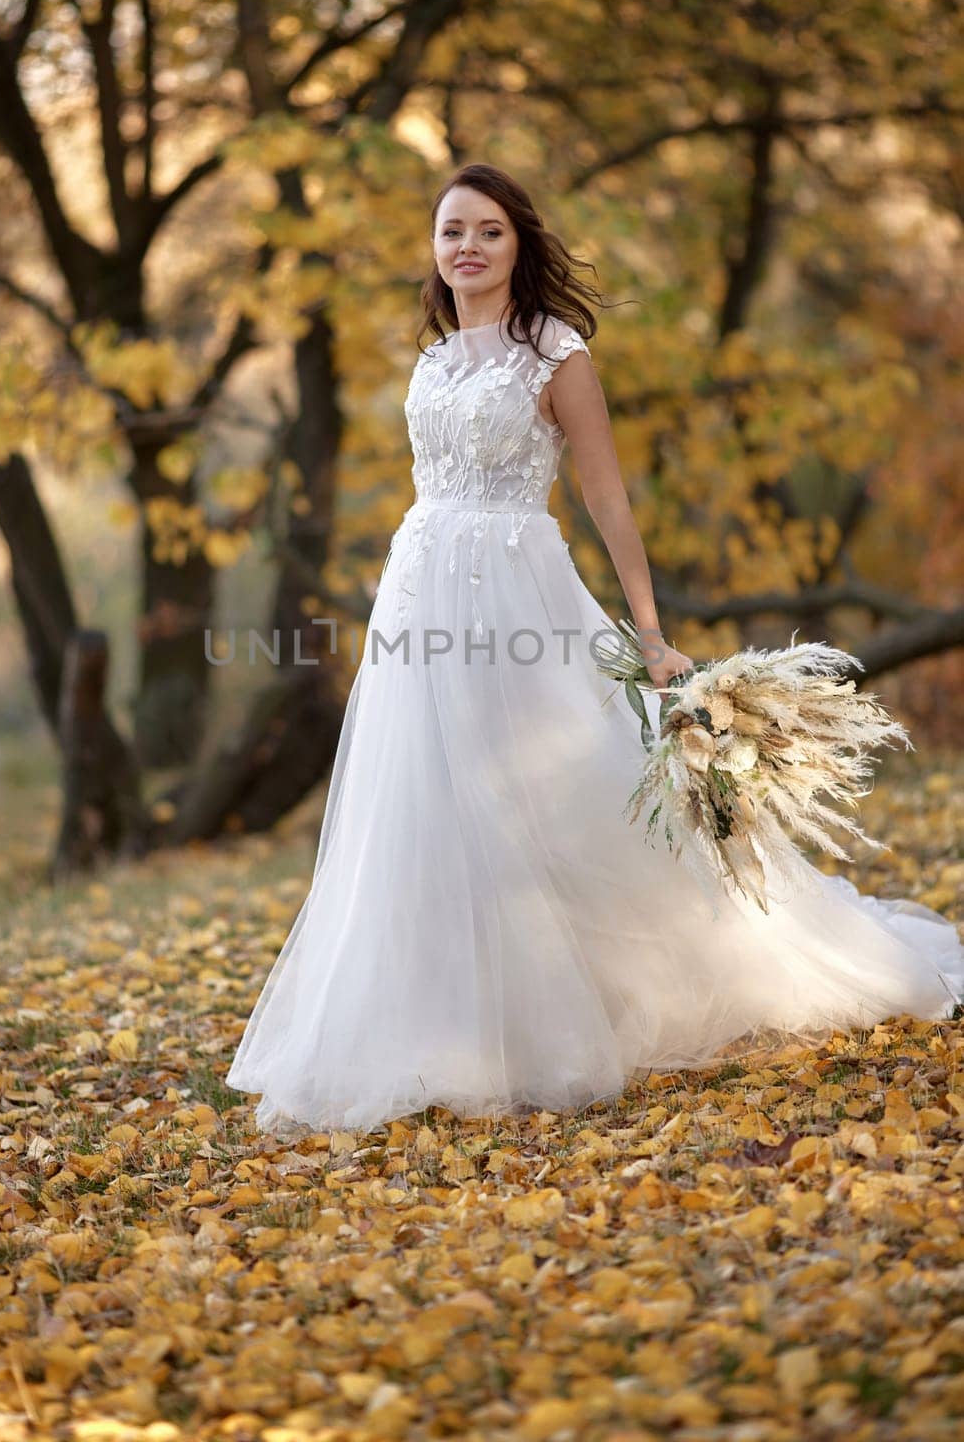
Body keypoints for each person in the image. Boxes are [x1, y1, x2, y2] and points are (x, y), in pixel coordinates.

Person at [225, 163, 964, 1135]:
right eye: (451, 231)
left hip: (518, 587)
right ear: (434, 248)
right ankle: (447, 1026)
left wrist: (648, 633)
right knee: (425, 800)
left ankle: (606, 995)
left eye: (487, 231)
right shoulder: (434, 358)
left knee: (550, 794)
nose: (467, 248)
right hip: (421, 591)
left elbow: (606, 497)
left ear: (518, 243)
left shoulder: (554, 353)